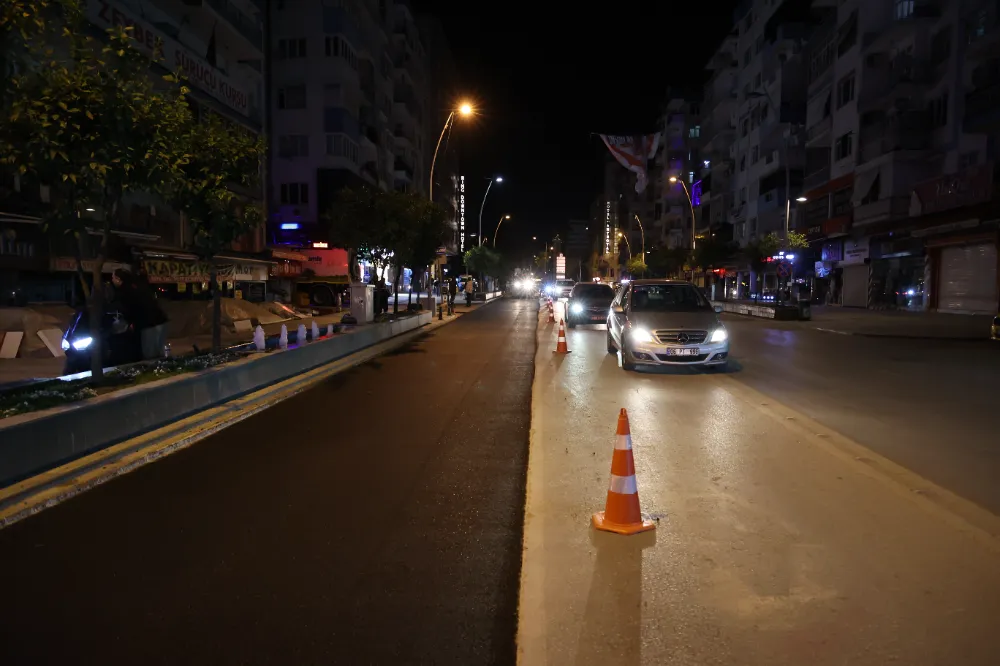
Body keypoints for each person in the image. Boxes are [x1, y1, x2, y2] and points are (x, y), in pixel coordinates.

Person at [113, 268, 169, 360]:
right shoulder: (136, 286)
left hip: (149, 323)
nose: (112, 280)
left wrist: (131, 322)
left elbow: (131, 309)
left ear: (119, 279)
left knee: (150, 355)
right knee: (158, 354)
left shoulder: (125, 291)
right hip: (159, 320)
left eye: (113, 277)